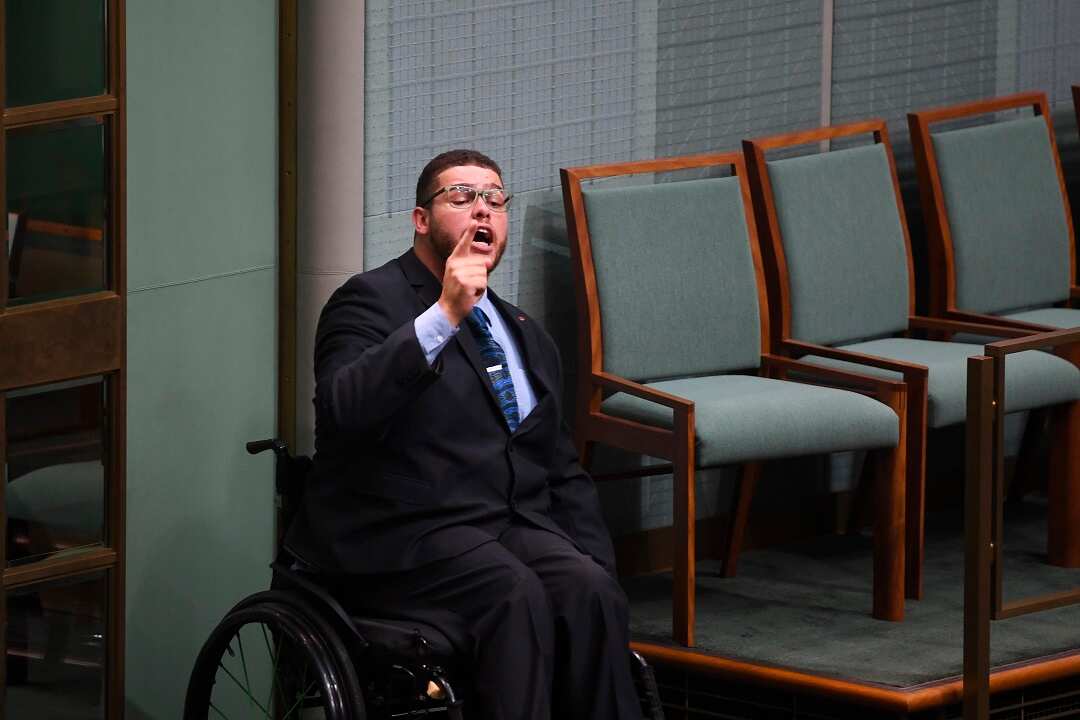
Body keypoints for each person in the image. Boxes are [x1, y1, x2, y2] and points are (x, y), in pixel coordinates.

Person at [284, 149, 642, 720]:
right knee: (513, 594)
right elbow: (342, 409)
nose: (483, 210)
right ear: (420, 220)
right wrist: (446, 312)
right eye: (462, 197)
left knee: (589, 591)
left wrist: (596, 561)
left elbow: (561, 467)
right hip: (404, 533)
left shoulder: (523, 330)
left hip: (504, 525)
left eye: (495, 200)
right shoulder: (370, 299)